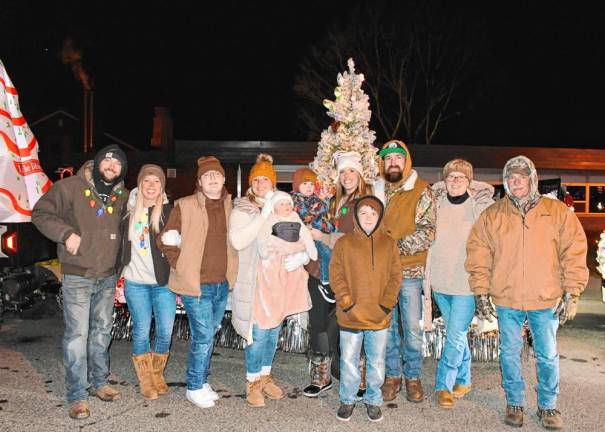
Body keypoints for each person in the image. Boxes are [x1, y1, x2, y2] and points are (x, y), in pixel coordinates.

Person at [466, 155, 588, 430]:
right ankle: (514, 403)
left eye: (522, 177)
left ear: (532, 180)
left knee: (547, 355)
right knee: (509, 353)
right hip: (507, 298)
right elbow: (478, 254)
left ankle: (548, 406)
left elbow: (574, 251)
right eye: (511, 177)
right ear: (506, 182)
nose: (516, 182)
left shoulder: (556, 212)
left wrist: (572, 291)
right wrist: (481, 291)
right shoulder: (493, 215)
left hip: (545, 298)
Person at [32, 145, 128, 419]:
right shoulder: (70, 187)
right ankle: (77, 395)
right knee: (77, 335)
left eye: (117, 164)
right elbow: (40, 213)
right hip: (77, 276)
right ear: (98, 162)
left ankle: (99, 382)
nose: (111, 166)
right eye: (107, 161)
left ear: (122, 170)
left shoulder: (122, 195)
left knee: (102, 331)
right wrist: (65, 234)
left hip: (108, 277)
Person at [229, 154, 310, 407]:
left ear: (273, 183)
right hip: (254, 282)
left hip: (278, 281)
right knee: (258, 333)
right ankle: (252, 381)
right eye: (257, 179)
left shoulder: (283, 207)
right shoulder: (242, 208)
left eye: (266, 179)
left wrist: (303, 256)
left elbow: (299, 235)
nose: (261, 183)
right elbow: (239, 241)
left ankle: (265, 376)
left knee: (273, 331)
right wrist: (262, 216)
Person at [157, 156, 238, 409]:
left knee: (209, 334)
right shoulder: (185, 205)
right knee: (203, 336)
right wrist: (179, 263)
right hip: (196, 284)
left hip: (221, 283)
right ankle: (193, 386)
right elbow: (166, 240)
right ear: (200, 181)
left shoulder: (231, 206)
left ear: (224, 179)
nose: (213, 179)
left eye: (217, 175)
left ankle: (202, 382)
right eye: (207, 176)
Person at [304, 151, 374, 397]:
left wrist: (324, 237)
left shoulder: (366, 203)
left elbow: (361, 239)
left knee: (350, 324)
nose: (347, 176)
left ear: (360, 175)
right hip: (319, 272)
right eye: (343, 171)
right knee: (319, 323)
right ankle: (322, 374)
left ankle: (357, 375)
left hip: (350, 274)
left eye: (352, 171)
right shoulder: (331, 202)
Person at [427, 159, 494, 408]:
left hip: (466, 284)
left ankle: (443, 384)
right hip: (439, 282)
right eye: (451, 177)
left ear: (469, 181)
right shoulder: (436, 203)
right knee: (458, 334)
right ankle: (464, 379)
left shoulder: (479, 206)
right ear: (444, 180)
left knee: (454, 336)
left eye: (460, 177)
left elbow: (491, 238)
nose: (455, 181)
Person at [330, 195, 402, 422]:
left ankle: (373, 399)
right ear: (356, 216)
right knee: (349, 360)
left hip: (379, 315)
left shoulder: (389, 243)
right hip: (350, 313)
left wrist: (386, 304)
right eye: (363, 213)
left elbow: (395, 276)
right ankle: (348, 399)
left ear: (380, 217)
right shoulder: (343, 243)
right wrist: (346, 301)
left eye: (373, 213)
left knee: (377, 361)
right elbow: (336, 274)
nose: (368, 217)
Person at [379, 139, 436, 404]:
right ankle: (393, 376)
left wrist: (392, 246)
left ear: (406, 161)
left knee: (412, 329)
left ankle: (412, 376)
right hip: (382, 273)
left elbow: (427, 231)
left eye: (397, 158)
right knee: (387, 327)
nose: (393, 163)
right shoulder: (376, 190)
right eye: (388, 159)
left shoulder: (422, 190)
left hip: (411, 271)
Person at [115, 164, 174, 401]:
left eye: (156, 182)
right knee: (140, 329)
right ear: (140, 185)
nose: (151, 186)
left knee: (165, 330)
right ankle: (145, 379)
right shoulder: (127, 211)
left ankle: (157, 373)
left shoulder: (169, 211)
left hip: (163, 282)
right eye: (147, 181)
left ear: (162, 186)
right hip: (135, 282)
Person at [255, 190, 317, 337]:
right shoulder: (270, 219)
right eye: (282, 203)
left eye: (289, 203)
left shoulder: (296, 218)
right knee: (273, 297)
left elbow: (306, 236)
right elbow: (262, 236)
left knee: (292, 292)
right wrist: (264, 252)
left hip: (293, 262)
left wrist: (309, 252)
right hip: (273, 264)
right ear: (274, 207)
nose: (286, 206)